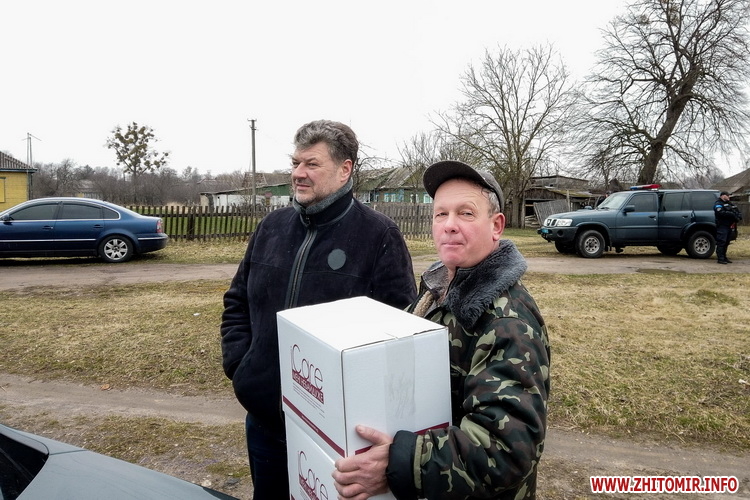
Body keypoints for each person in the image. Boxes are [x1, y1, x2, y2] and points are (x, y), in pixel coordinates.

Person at [220, 120, 417, 499]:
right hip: (265, 424)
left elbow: (397, 337)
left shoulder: (378, 235)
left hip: (335, 436)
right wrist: (241, 366)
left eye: (311, 164)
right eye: (295, 163)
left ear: (345, 169)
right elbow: (237, 301)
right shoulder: (271, 227)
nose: (298, 173)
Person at [332, 160, 551, 500]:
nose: (449, 225)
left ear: (496, 226)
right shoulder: (437, 288)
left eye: (465, 213)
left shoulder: (508, 322)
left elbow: (505, 449)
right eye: (440, 214)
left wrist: (400, 463)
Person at [714, 191, 742, 264]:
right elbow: (720, 213)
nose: (729, 197)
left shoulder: (729, 203)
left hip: (729, 225)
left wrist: (738, 216)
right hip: (722, 225)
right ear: (723, 196)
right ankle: (720, 258)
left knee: (727, 242)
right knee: (721, 241)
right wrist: (731, 214)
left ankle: (724, 257)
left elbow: (736, 210)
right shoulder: (718, 204)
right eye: (728, 196)